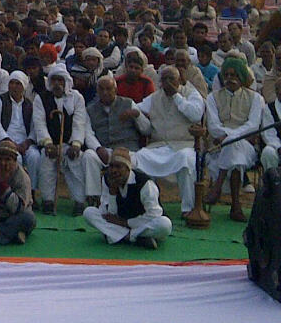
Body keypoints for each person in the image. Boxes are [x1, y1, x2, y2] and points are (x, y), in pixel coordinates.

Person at [132, 65, 205, 217]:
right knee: (139, 157)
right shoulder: (156, 97)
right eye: (164, 79)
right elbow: (137, 107)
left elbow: (196, 115)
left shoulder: (191, 94)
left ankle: (188, 208)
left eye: (171, 79)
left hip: (183, 145)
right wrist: (132, 112)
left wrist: (176, 96)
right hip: (159, 145)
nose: (167, 82)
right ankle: (151, 204)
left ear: (179, 80)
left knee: (185, 160)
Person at [205, 57, 262, 221]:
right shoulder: (212, 97)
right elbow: (213, 126)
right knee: (234, 155)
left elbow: (253, 125)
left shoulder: (255, 98)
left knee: (234, 147)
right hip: (217, 147)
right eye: (227, 75)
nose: (230, 79)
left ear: (242, 77)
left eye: (235, 75)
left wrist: (230, 137)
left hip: (243, 146)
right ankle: (235, 206)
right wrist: (232, 137)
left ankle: (217, 188)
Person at [83, 148, 172, 249]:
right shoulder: (107, 179)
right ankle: (135, 237)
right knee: (89, 212)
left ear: (127, 168)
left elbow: (154, 214)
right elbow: (108, 214)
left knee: (165, 225)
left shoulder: (145, 183)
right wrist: (113, 193)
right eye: (111, 166)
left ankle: (120, 235)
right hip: (119, 222)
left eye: (118, 167)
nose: (114, 171)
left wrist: (126, 223)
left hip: (141, 222)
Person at [82, 75, 150, 205]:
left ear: (115, 90)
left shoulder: (128, 103)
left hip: (128, 150)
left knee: (134, 162)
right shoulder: (90, 109)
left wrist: (137, 115)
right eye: (101, 89)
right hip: (105, 150)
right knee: (89, 156)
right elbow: (88, 133)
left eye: (109, 89)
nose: (105, 92)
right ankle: (94, 198)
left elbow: (146, 130)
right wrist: (98, 148)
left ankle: (132, 199)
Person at [32, 63, 88, 215]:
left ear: (66, 82)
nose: (57, 84)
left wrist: (76, 144)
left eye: (60, 81)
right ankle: (48, 201)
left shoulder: (77, 98)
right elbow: (39, 123)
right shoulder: (41, 98)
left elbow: (79, 122)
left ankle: (79, 201)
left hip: (70, 144)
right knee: (46, 165)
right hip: (50, 144)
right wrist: (48, 144)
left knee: (76, 164)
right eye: (54, 80)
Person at [0, 70, 41, 194]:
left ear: (24, 87)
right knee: (15, 159)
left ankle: (30, 192)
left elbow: (34, 127)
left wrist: (27, 143)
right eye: (12, 83)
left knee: (35, 157)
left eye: (18, 84)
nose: (14, 86)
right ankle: (13, 192)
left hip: (24, 142)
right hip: (4, 140)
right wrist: (8, 141)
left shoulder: (29, 104)